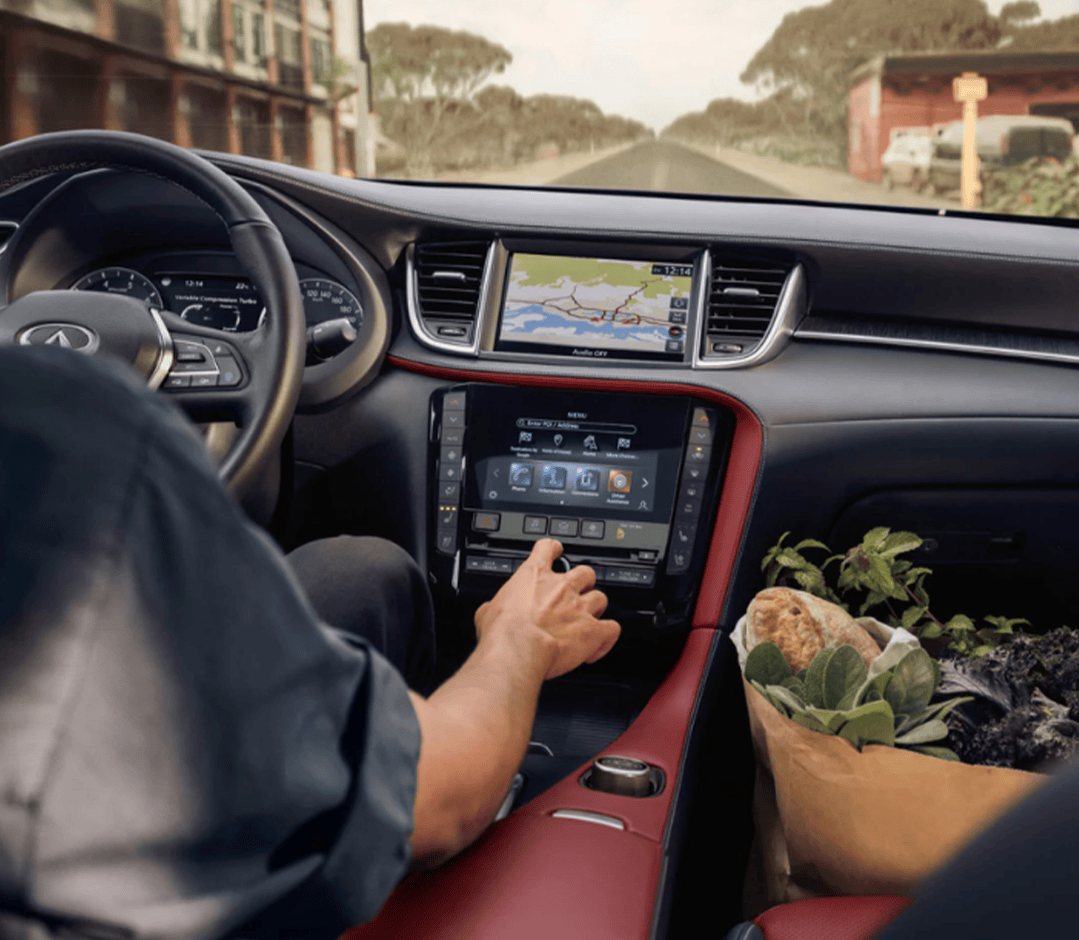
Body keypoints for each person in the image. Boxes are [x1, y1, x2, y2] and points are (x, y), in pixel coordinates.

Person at [0, 344, 620, 940]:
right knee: (455, 795)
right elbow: (441, 804)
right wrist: (522, 635)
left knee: (357, 575)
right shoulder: (73, 426)